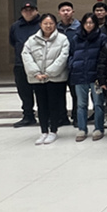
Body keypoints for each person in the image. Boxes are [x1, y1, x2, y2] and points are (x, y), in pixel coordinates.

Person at [22, 13, 70, 145]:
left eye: (51, 23)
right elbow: (26, 56)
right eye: (45, 23)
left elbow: (63, 57)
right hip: (38, 78)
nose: (48, 26)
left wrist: (49, 73)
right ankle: (43, 131)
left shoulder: (62, 39)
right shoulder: (32, 40)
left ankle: (53, 130)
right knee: (41, 105)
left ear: (55, 25)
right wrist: (36, 72)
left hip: (55, 78)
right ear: (40, 25)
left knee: (54, 105)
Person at [69, 13, 107, 142]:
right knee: (81, 104)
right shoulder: (76, 38)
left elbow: (104, 56)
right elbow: (70, 54)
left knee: (98, 103)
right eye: (86, 23)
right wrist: (72, 65)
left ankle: (99, 128)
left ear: (95, 24)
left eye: (91, 23)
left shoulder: (101, 38)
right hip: (79, 75)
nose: (89, 25)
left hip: (95, 76)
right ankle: (82, 128)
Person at [9, 1, 41, 128]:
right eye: (25, 10)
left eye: (31, 10)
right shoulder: (16, 26)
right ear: (21, 12)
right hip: (20, 64)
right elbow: (13, 42)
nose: (28, 13)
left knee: (41, 92)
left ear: (36, 11)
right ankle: (28, 116)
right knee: (24, 92)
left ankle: (45, 115)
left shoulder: (42, 24)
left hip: (39, 65)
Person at [57, 1, 81, 125]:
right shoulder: (55, 28)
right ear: (59, 13)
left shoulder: (80, 27)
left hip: (75, 66)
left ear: (73, 12)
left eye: (68, 10)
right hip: (58, 66)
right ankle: (62, 117)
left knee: (76, 94)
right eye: (63, 10)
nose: (66, 13)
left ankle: (77, 117)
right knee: (59, 94)